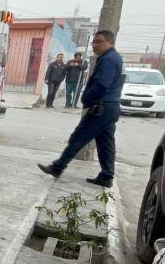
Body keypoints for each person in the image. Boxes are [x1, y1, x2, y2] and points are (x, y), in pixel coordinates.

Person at [37, 30, 124, 188]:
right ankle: (107, 175)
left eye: (99, 42)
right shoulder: (112, 57)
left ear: (110, 42)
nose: (95, 45)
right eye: (94, 42)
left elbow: (102, 84)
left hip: (102, 107)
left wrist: (87, 98)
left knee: (79, 137)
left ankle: (57, 167)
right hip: (110, 108)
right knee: (106, 143)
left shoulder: (109, 59)